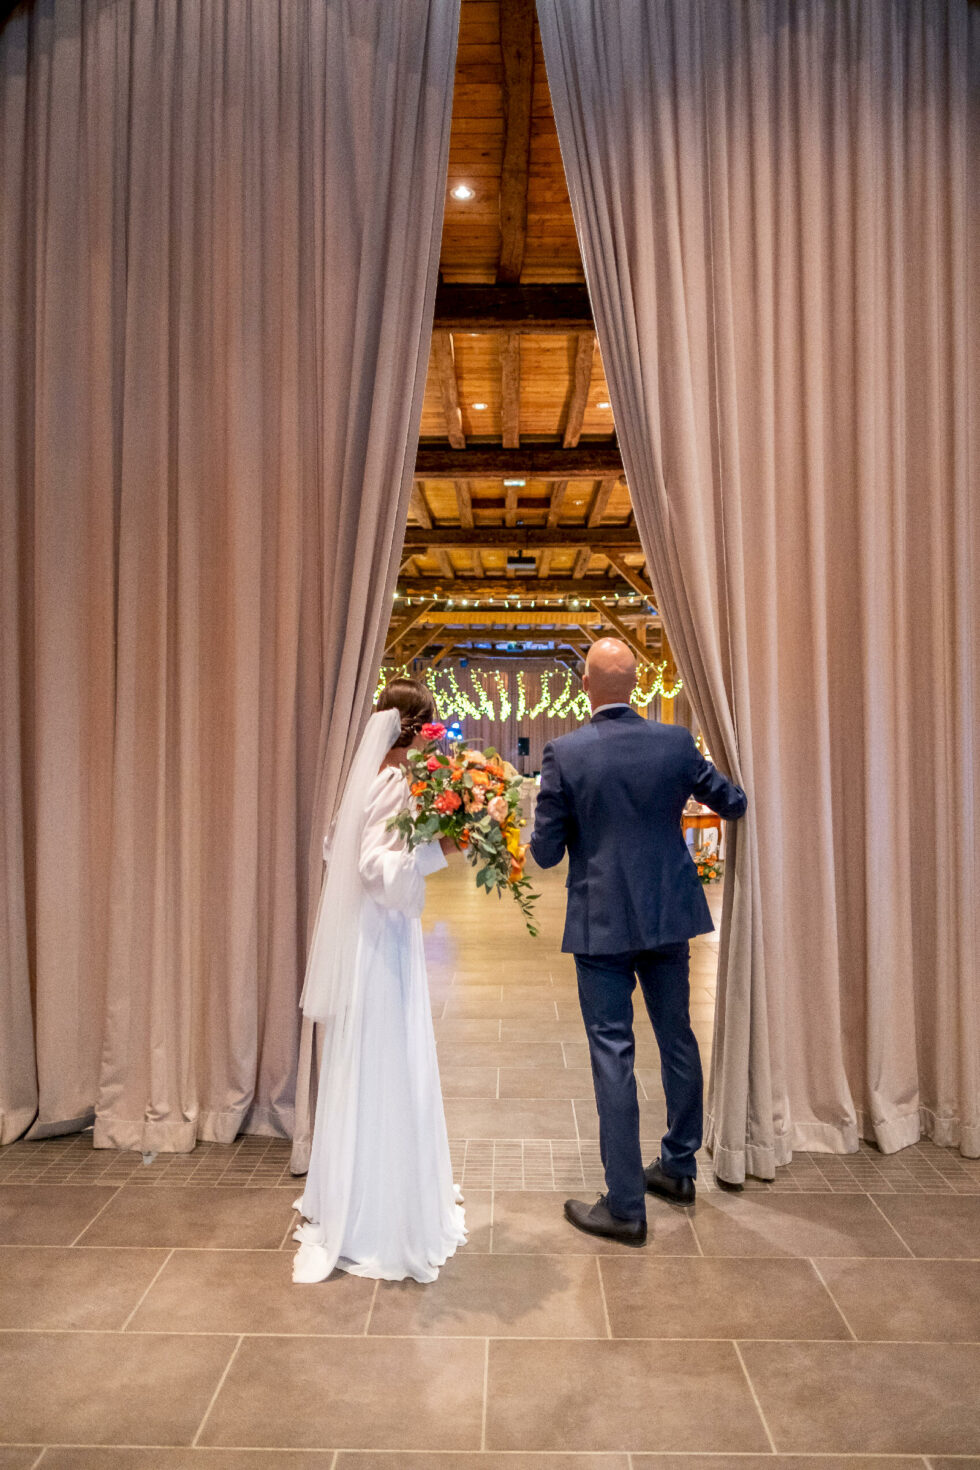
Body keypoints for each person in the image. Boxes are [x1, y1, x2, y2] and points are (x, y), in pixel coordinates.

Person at [530, 638, 747, 1245]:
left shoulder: (566, 753)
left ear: (586, 685)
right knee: (677, 1036)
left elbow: (546, 851)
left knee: (612, 1053)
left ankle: (625, 1204)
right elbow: (732, 801)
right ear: (634, 684)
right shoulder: (674, 742)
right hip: (666, 914)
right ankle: (678, 1168)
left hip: (602, 922)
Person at [292, 678, 466, 1283]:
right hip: (380, 940)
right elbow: (373, 865)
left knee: (368, 1060)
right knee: (385, 1058)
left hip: (373, 934)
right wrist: (440, 847)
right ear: (414, 732)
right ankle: (379, 1208)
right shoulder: (394, 781)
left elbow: (331, 847)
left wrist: (432, 844)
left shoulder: (366, 778)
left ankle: (359, 1182)